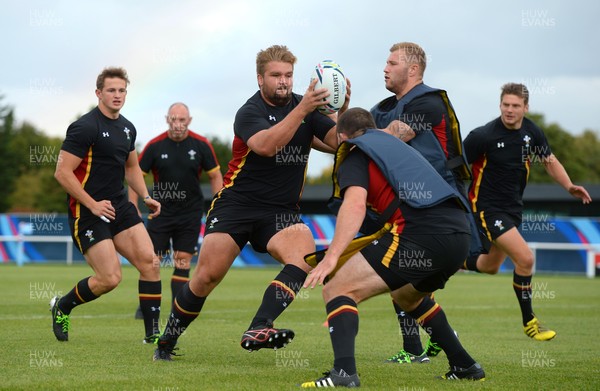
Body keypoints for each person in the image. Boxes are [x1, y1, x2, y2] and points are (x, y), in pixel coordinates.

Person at [152, 44, 342, 361]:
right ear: (260, 79)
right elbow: (266, 145)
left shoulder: (305, 107)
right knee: (206, 277)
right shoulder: (250, 112)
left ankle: (259, 326)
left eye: (289, 75)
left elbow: (338, 141)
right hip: (236, 205)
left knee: (303, 258)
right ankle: (166, 341)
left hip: (281, 212)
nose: (284, 81)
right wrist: (305, 109)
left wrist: (338, 106)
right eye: (276, 75)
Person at [300, 108, 485, 387]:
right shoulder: (393, 146)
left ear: (341, 136)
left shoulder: (354, 152)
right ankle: (464, 365)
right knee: (407, 297)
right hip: (459, 231)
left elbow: (355, 204)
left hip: (420, 234)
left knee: (337, 289)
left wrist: (332, 257)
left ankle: (343, 374)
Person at [370, 42, 475, 364]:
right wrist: (337, 111)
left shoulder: (428, 102)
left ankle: (433, 343)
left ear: (413, 69)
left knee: (390, 278)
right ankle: (433, 347)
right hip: (409, 208)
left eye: (392, 62)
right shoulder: (386, 107)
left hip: (436, 208)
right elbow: (357, 139)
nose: (384, 68)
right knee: (402, 284)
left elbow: (387, 138)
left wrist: (349, 126)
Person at [462, 82, 592, 341]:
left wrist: (569, 186)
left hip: (512, 209)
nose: (509, 110)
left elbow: (549, 161)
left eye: (515, 106)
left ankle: (451, 261)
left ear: (525, 107)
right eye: (505, 105)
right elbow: (453, 165)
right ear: (500, 105)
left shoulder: (532, 131)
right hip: (486, 208)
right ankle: (530, 322)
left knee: (489, 266)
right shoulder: (483, 136)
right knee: (526, 259)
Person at [51, 67, 162, 343]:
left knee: (151, 263)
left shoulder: (127, 128)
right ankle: (63, 306)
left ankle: (153, 336)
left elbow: (132, 167)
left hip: (119, 207)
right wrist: (92, 205)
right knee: (110, 278)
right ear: (98, 93)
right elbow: (62, 173)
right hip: (87, 211)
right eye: (111, 90)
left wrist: (145, 196)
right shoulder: (85, 127)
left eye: (122, 90)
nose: (117, 95)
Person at [129, 102, 223, 323]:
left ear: (189, 121)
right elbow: (135, 175)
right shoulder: (154, 146)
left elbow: (215, 175)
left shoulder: (201, 145)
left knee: (182, 260)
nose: (178, 124)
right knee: (152, 261)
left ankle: (176, 308)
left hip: (190, 213)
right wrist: (133, 206)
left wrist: (219, 205)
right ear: (167, 119)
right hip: (160, 213)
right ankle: (147, 306)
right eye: (174, 119)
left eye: (182, 120)